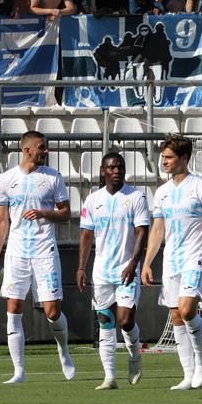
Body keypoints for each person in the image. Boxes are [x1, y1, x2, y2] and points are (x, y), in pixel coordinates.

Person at [0, 130, 72, 385]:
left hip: (45, 250)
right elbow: (1, 220)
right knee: (13, 308)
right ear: (27, 150)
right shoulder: (6, 179)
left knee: (52, 312)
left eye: (46, 147)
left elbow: (65, 213)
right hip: (17, 252)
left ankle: (64, 352)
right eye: (42, 147)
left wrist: (45, 213)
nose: (46, 151)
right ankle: (19, 372)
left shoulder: (53, 178)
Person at [142, 135, 202, 390]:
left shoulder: (201, 188)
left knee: (188, 310)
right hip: (171, 261)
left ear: (184, 159)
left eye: (168, 157)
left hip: (195, 257)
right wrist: (146, 263)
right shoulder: (163, 192)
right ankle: (188, 374)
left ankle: (201, 363)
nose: (163, 162)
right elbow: (157, 230)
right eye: (162, 157)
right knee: (176, 316)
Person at [76, 153, 149, 390]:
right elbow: (86, 236)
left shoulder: (136, 197)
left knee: (125, 320)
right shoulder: (92, 200)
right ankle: (109, 377)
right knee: (106, 323)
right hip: (101, 273)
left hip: (127, 270)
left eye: (120, 167)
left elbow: (142, 233)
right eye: (112, 167)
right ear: (102, 171)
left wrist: (132, 263)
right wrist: (81, 267)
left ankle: (134, 353)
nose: (117, 170)